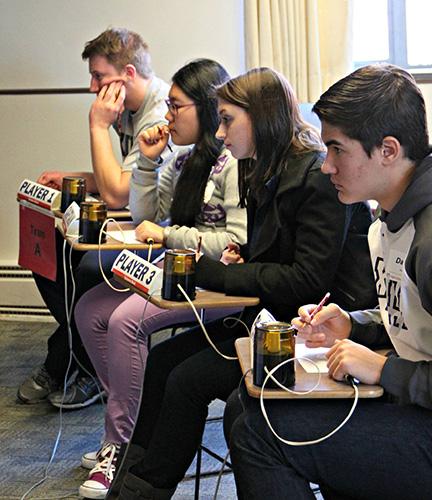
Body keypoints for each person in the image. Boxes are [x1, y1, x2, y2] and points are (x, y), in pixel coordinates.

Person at [108, 67, 378, 500]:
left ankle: (142, 491)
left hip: (312, 330)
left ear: (263, 117)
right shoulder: (262, 169)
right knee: (162, 362)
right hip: (273, 317)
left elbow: (306, 279)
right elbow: (278, 259)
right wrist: (246, 259)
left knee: (186, 381)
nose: (220, 131)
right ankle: (128, 480)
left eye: (228, 119)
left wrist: (217, 272)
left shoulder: (314, 177)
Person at [226, 64, 432, 500]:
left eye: (337, 150)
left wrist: (384, 369)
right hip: (413, 406)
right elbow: (416, 319)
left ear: (388, 150)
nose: (325, 166)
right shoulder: (388, 222)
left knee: (261, 433)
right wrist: (353, 324)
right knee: (243, 408)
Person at [73, 58, 247, 499]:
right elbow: (145, 216)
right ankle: (128, 419)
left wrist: (170, 234)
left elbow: (237, 239)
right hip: (180, 276)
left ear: (205, 109)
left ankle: (120, 442)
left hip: (218, 283)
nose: (167, 117)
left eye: (176, 107)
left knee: (125, 320)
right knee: (90, 309)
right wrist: (148, 165)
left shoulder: (232, 165)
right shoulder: (184, 160)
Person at [18, 28, 171, 409]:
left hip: (163, 232)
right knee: (50, 248)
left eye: (99, 76)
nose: (92, 87)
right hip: (139, 218)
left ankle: (77, 363)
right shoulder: (130, 110)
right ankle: (78, 357)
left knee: (87, 266)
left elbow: (119, 193)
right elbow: (120, 183)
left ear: (129, 74)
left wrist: (97, 125)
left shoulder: (157, 112)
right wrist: (75, 178)